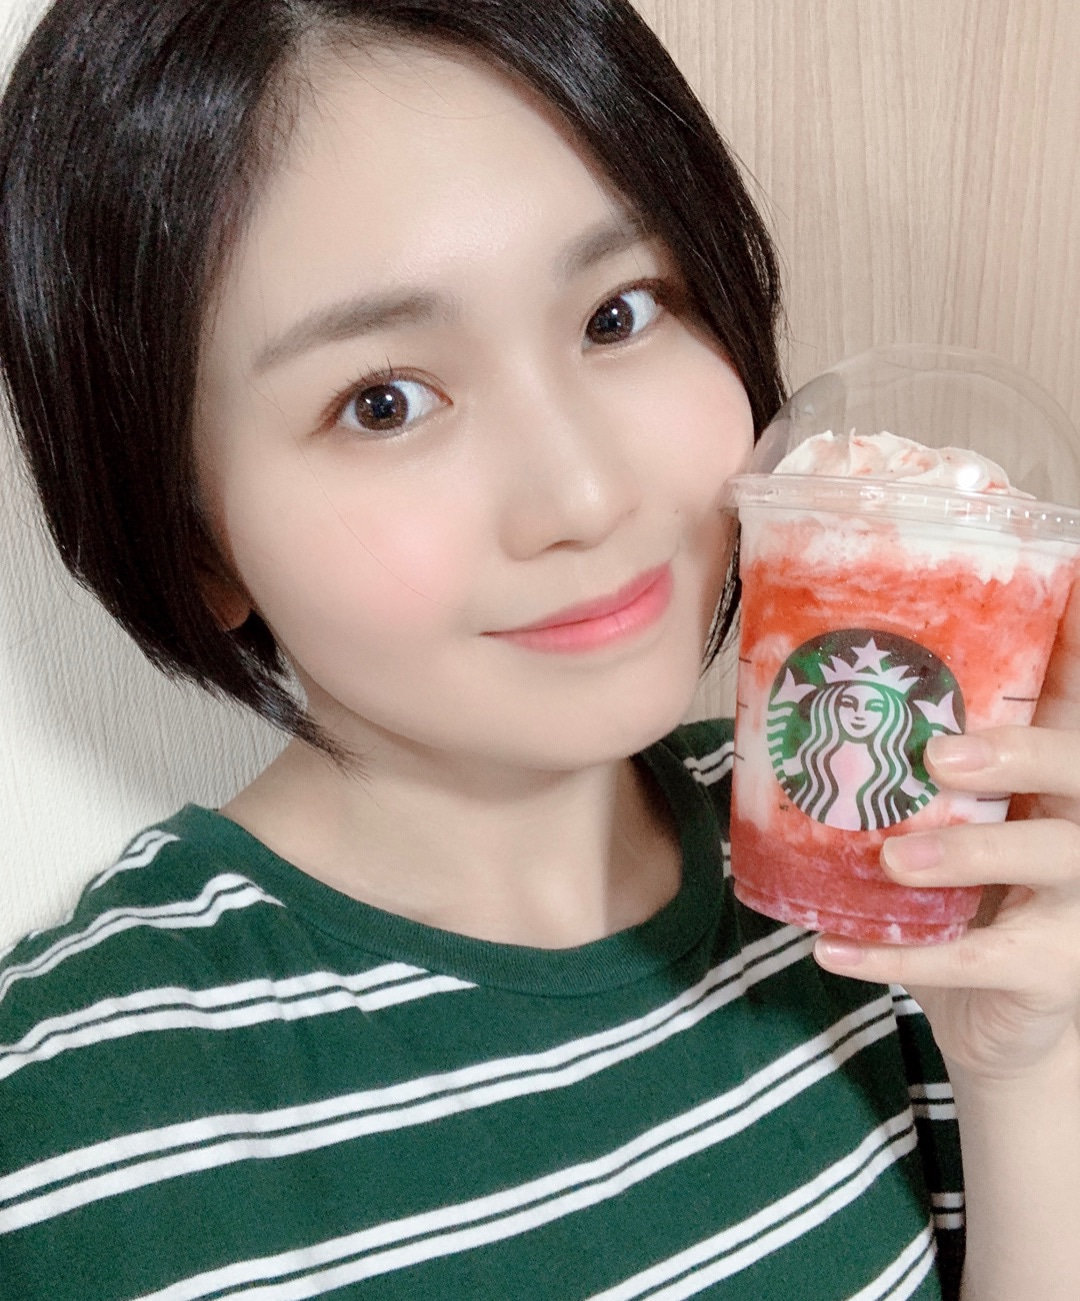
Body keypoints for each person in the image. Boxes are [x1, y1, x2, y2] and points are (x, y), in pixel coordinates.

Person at [0, 2, 1077, 1297]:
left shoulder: (885, 851)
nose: (583, 496)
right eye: (383, 402)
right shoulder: (76, 1133)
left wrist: (1028, 1072)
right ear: (191, 536)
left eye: (619, 314)